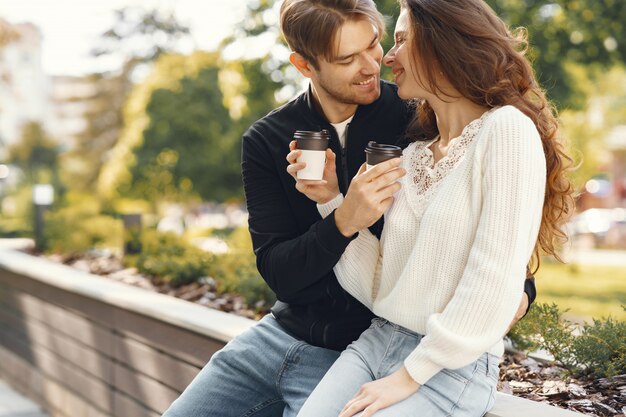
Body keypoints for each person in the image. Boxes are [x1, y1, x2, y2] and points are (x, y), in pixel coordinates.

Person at [161, 1, 535, 416]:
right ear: (305, 66)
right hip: (289, 333)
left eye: (374, 44)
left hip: (365, 346)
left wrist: (515, 291)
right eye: (347, 59)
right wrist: (337, 212)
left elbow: (495, 229)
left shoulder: (417, 113)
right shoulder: (269, 139)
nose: (374, 65)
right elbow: (280, 272)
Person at [290, 0, 575, 416]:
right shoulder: (413, 156)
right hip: (375, 343)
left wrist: (409, 375)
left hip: (450, 365)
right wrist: (330, 199)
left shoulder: (507, 131)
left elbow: (493, 280)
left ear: (443, 44)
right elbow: (378, 283)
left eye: (402, 40)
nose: (387, 57)